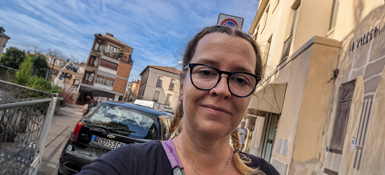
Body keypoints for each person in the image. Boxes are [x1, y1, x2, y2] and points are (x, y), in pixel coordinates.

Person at [77, 25, 279, 175]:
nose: (221, 89)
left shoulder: (264, 172)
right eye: (206, 72)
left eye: (240, 79)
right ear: (182, 87)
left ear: (250, 95)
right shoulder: (129, 165)